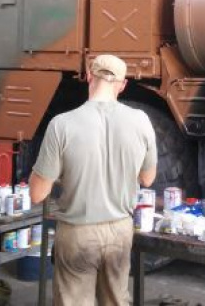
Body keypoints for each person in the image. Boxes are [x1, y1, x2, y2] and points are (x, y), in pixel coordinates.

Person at [30, 54, 157, 306]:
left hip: (77, 233)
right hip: (120, 231)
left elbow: (37, 194)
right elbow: (147, 178)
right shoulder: (141, 120)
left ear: (89, 76)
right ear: (122, 85)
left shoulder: (61, 125)